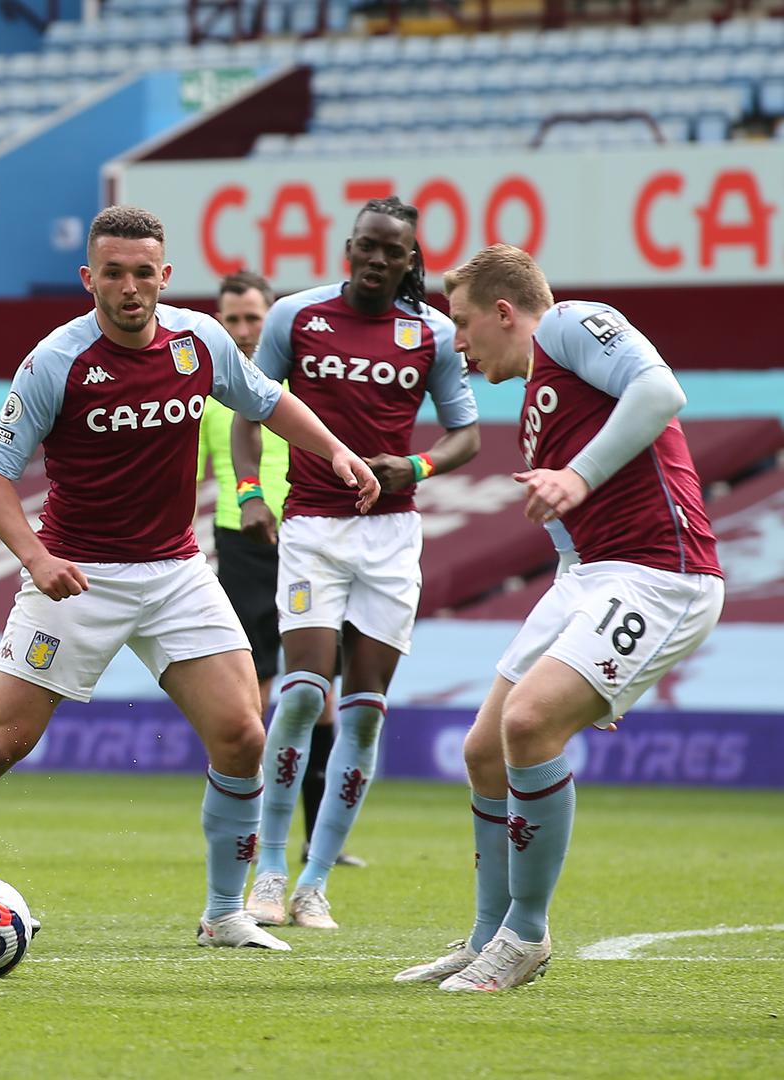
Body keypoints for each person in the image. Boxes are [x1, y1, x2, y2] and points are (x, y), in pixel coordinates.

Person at [0, 206, 380, 951]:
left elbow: (267, 401)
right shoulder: (55, 360)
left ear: (164, 277)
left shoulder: (199, 340)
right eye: (112, 273)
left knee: (242, 736)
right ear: (88, 279)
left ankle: (223, 913)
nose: (129, 287)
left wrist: (337, 451)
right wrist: (38, 559)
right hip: (76, 575)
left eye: (142, 273)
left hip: (176, 572)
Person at [396, 244, 722, 991]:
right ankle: (484, 934)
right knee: (484, 748)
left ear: (503, 312)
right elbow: (576, 543)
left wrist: (575, 475)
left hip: (660, 576)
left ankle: (526, 936)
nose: (457, 341)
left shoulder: (573, 324)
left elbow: (660, 391)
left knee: (528, 724)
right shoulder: (540, 402)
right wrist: (591, 665)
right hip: (588, 581)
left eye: (462, 321)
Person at [238, 198, 480, 931]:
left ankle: (315, 882)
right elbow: (248, 408)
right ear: (348, 247)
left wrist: (416, 465)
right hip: (311, 526)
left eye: (393, 252)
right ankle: (269, 874)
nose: (377, 260)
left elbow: (466, 435)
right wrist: (250, 492)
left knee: (365, 714)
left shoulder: (431, 333)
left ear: (411, 261)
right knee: (305, 693)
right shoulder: (294, 318)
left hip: (389, 538)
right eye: (367, 247)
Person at [200, 272, 358, 872]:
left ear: (270, 319)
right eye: (231, 320)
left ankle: (321, 836)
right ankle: (256, 832)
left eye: (251, 319)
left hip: (306, 538)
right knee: (253, 690)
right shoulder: (210, 391)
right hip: (239, 544)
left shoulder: (294, 388)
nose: (241, 330)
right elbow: (187, 475)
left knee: (320, 692)